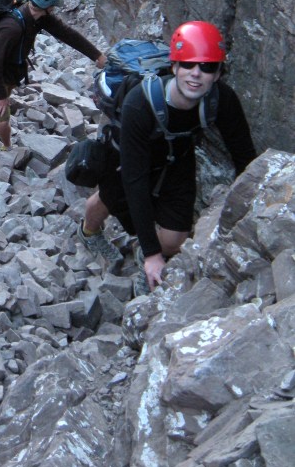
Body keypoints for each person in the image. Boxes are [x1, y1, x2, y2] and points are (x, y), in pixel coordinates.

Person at [78, 21, 257, 293]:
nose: (196, 74)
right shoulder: (140, 102)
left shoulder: (222, 100)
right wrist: (152, 254)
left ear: (218, 73)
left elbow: (244, 154)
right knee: (109, 197)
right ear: (174, 67)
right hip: (126, 152)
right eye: (188, 65)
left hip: (179, 155)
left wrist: (255, 205)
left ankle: (144, 253)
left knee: (175, 240)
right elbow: (134, 179)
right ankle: (89, 231)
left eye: (207, 67)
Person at [0, 0, 106, 149]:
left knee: (1, 101)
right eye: (54, 6)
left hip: (14, 68)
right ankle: (7, 148)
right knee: (3, 117)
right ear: (48, 6)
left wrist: (97, 55)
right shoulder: (11, 28)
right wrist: (0, 96)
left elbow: (67, 34)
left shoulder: (41, 17)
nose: (54, 9)